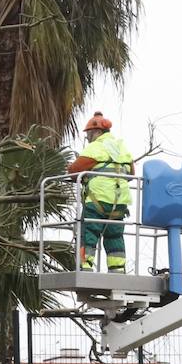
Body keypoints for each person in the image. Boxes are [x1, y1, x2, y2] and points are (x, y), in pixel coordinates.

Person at [66, 111, 135, 272]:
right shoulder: (121, 147)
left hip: (97, 200)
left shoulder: (95, 148)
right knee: (114, 235)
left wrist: (75, 171)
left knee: (88, 232)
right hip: (119, 203)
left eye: (88, 134)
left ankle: (85, 266)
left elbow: (74, 170)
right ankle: (117, 270)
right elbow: (131, 173)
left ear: (96, 132)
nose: (88, 138)